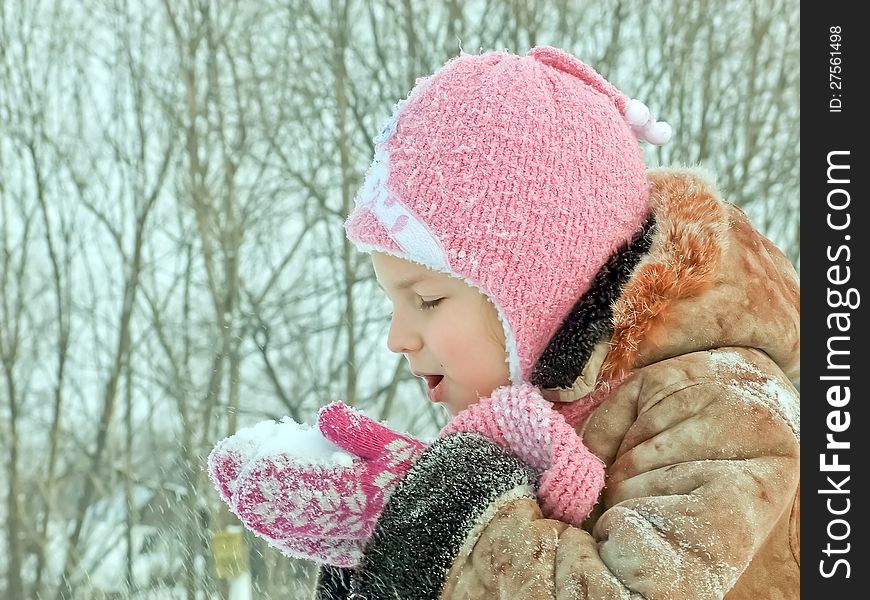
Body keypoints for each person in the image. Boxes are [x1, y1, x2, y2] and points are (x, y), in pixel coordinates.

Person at [208, 46, 800, 599]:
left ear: (542, 290)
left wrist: (440, 518)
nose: (397, 338)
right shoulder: (546, 412)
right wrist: (381, 557)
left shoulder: (722, 409)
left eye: (428, 300)